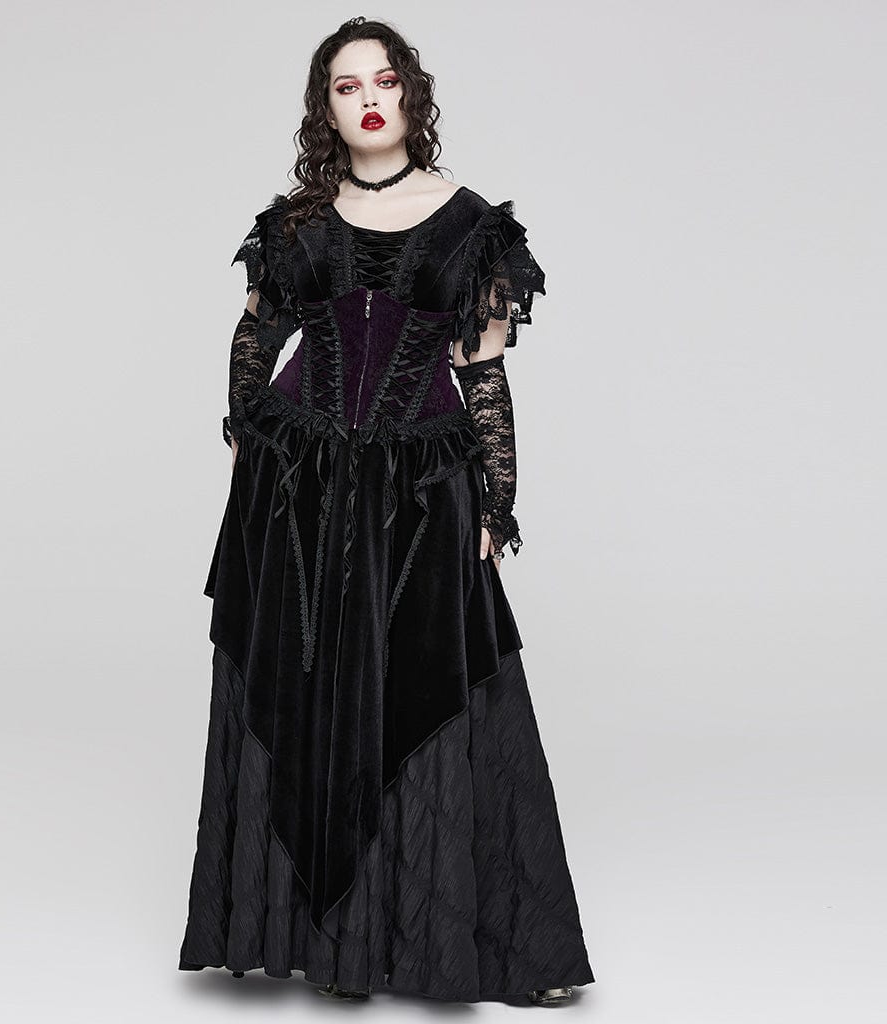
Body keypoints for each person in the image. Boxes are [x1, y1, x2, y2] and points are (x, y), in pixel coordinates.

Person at [178, 16, 595, 1006]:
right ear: (324, 109)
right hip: (298, 488)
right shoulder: (296, 225)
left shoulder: (473, 227)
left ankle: (467, 945)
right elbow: (255, 337)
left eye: (382, 80)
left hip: (416, 491)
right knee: (303, 685)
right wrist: (248, 436)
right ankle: (322, 942)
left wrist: (496, 498)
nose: (366, 99)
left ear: (411, 90)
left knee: (432, 686)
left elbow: (482, 374)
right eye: (344, 86)